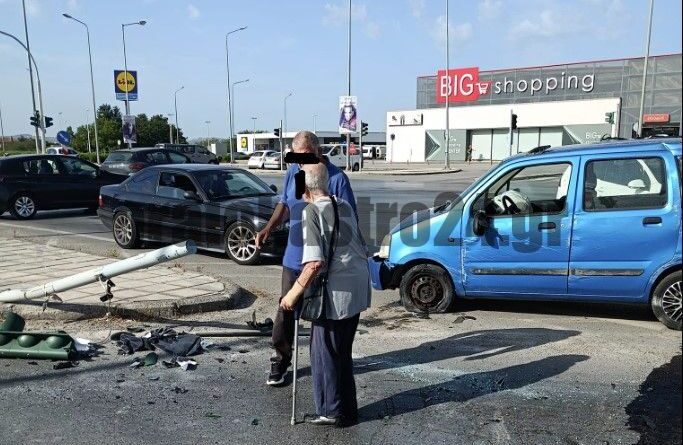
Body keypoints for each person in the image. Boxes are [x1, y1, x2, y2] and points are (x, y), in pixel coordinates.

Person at [255, 131, 357, 386]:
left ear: (316, 151)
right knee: (285, 309)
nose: (296, 161)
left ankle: (324, 365)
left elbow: (348, 222)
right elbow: (289, 204)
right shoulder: (298, 172)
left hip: (323, 263)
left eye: (300, 156)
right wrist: (269, 227)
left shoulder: (336, 179)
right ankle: (281, 359)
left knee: (322, 317)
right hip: (294, 257)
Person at [280, 162, 370, 426]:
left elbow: (314, 263)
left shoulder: (311, 212)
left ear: (305, 187)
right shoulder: (342, 204)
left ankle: (331, 411)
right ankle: (347, 410)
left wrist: (292, 295)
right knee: (341, 351)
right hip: (357, 290)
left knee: (324, 353)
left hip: (336, 294)